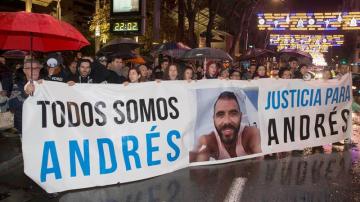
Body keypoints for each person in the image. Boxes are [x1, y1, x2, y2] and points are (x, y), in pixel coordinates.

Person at [190, 91, 261, 162]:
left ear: (241, 116)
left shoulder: (252, 134)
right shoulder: (208, 141)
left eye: (233, 114)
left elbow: (262, 160)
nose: (227, 121)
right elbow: (196, 167)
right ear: (214, 119)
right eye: (220, 115)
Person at [8, 59, 41, 134]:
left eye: (36, 68)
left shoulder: (45, 84)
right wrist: (25, 93)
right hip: (25, 128)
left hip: (41, 127)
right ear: (24, 71)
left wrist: (69, 87)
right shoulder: (18, 85)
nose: (34, 70)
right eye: (30, 68)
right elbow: (12, 106)